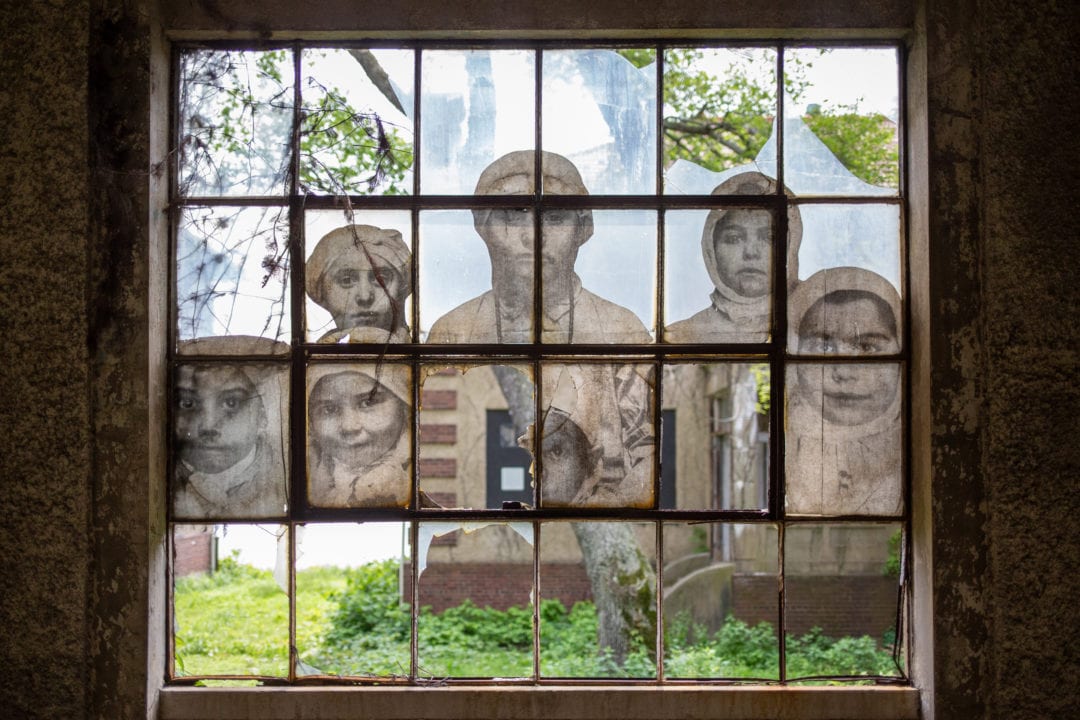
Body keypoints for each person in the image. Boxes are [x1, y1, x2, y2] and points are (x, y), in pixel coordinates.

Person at [427, 150, 651, 344]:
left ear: (582, 229)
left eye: (554, 218)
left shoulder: (623, 332)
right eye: (513, 216)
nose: (533, 237)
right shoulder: (452, 332)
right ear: (483, 227)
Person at [785, 266, 903, 516]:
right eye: (823, 347)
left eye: (868, 348)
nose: (844, 372)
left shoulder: (913, 453)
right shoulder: (789, 449)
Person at [665, 170, 802, 343]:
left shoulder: (817, 321)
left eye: (769, 238)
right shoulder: (681, 336)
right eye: (733, 239)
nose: (751, 252)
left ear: (790, 246)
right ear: (711, 249)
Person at [173, 337, 288, 519]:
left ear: (262, 417)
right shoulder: (163, 482)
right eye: (188, 403)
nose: (208, 426)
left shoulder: (283, 482)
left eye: (231, 402)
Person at [307, 364, 411, 507]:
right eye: (329, 409)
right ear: (310, 424)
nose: (349, 427)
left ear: (404, 409)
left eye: (368, 403)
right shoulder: (310, 481)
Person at [306, 224, 412, 343]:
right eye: (346, 281)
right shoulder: (313, 356)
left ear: (400, 289)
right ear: (323, 292)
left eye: (381, 280)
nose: (365, 296)